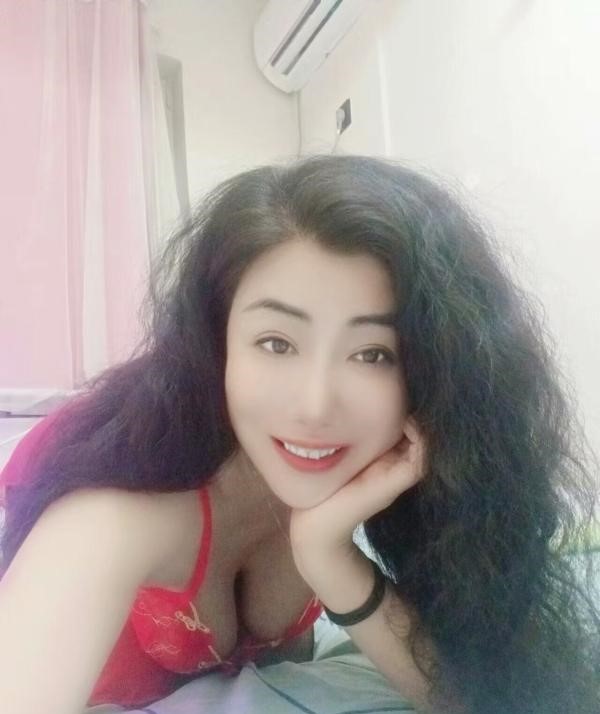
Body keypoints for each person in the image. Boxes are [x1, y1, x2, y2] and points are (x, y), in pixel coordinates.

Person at [0, 154, 598, 714]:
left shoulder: (369, 486)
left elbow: (467, 698)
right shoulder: (114, 518)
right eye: (276, 343)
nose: (315, 406)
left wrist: (327, 553)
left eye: (373, 354)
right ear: (217, 344)